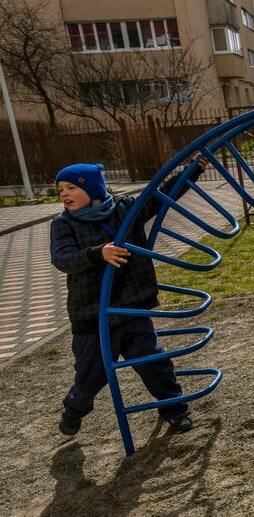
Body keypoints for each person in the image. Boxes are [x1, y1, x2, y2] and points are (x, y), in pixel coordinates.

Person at [50, 159, 208, 437]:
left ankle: (175, 408)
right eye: (60, 189)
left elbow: (160, 195)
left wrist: (194, 169)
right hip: (92, 314)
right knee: (91, 374)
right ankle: (75, 409)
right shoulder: (64, 224)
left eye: (71, 187)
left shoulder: (125, 210)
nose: (64, 194)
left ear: (94, 189)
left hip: (132, 306)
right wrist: (97, 253)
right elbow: (62, 258)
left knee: (152, 361)